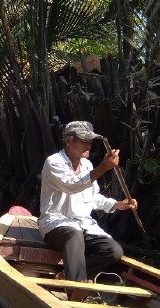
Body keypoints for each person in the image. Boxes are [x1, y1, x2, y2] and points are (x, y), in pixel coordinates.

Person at [38, 120, 138, 296]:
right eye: (84, 141)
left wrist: (116, 204)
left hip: (84, 224)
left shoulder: (87, 165)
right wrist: (104, 167)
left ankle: (66, 276)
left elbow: (92, 197)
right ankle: (76, 290)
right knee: (73, 234)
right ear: (69, 141)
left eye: (90, 141)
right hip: (56, 224)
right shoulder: (53, 162)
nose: (89, 145)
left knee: (113, 251)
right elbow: (73, 186)